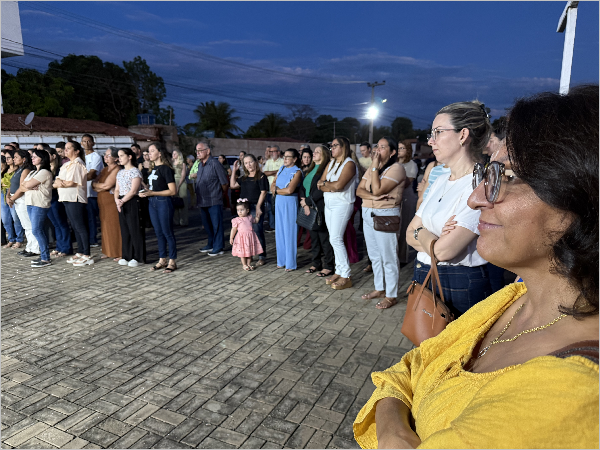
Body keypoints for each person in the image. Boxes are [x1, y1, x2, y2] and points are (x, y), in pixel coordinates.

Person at [354, 85, 599, 449]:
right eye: (489, 173)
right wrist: (394, 429)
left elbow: (443, 247)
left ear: (582, 198)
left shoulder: (571, 392)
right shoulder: (513, 299)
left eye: (508, 176)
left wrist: (392, 412)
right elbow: (409, 366)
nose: (476, 197)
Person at [406, 100, 492, 318]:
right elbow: (409, 232)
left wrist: (420, 232)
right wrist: (430, 238)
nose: (430, 140)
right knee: (423, 338)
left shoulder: (480, 185)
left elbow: (445, 252)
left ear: (463, 135)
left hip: (458, 282)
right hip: (424, 273)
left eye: (438, 132)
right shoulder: (440, 179)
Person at [357, 137, 406, 309]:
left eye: (383, 147)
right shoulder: (374, 167)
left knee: (388, 256)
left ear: (392, 152)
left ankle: (391, 295)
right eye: (377, 146)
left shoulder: (397, 168)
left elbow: (377, 189)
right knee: (375, 255)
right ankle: (379, 288)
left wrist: (374, 167)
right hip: (368, 213)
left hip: (385, 215)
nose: (377, 150)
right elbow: (359, 190)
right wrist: (373, 197)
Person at [317, 136, 358, 290]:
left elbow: (339, 186)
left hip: (342, 204)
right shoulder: (331, 163)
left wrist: (327, 185)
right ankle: (339, 270)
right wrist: (329, 185)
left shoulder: (349, 164)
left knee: (336, 238)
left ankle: (346, 274)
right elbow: (319, 184)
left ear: (343, 147)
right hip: (329, 204)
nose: (331, 148)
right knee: (333, 239)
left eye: (335, 146)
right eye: (331, 145)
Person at [140, 142, 178, 272]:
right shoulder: (152, 169)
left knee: (167, 232)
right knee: (158, 232)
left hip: (163, 202)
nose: (149, 154)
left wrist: (153, 193)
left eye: (152, 151)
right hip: (152, 202)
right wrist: (145, 190)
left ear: (160, 153)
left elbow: (172, 191)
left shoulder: (166, 169)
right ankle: (162, 259)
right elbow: (153, 188)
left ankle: (172, 261)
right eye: (148, 151)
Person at [55, 141, 93, 266]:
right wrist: (60, 182)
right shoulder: (66, 164)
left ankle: (87, 253)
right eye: (65, 148)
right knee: (75, 226)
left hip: (75, 198)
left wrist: (60, 183)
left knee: (80, 226)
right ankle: (81, 251)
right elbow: (56, 181)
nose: (65, 150)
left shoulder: (77, 164)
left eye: (68, 148)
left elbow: (71, 182)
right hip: (66, 197)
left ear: (76, 151)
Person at [299, 144, 334, 278]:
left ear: (324, 155)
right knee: (314, 238)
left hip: (319, 207)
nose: (314, 153)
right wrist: (304, 202)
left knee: (324, 238)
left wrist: (307, 202)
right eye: (315, 151)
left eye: (318, 152)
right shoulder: (310, 169)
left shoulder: (325, 170)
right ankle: (316, 263)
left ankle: (328, 266)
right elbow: (303, 187)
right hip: (309, 207)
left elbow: (321, 190)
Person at [230, 154, 268, 265]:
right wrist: (234, 171)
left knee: (257, 231)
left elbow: (263, 192)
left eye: (250, 162)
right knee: (245, 232)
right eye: (246, 163)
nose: (249, 165)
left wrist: (258, 207)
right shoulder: (244, 178)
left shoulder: (261, 176)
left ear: (255, 162)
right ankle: (249, 255)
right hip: (244, 208)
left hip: (255, 206)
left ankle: (262, 256)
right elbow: (232, 185)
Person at [193, 142, 229, 256]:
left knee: (216, 224)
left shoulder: (215, 163)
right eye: (196, 150)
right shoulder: (200, 165)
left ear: (208, 151)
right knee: (207, 224)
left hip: (214, 199)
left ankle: (219, 246)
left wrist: (219, 194)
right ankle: (211, 243)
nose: (197, 153)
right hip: (202, 200)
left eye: (200, 150)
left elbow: (224, 183)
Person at [271, 148, 303, 271]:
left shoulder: (297, 172)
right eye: (284, 156)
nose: (285, 159)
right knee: (279, 231)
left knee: (290, 232)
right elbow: (273, 184)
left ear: (294, 159)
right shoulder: (281, 169)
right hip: (279, 202)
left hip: (290, 202)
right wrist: (277, 190)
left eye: (288, 157)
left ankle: (290, 263)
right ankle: (281, 260)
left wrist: (276, 191)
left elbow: (290, 190)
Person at [21, 150, 54, 267]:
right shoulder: (33, 172)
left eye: (35, 157)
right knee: (38, 230)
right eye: (32, 157)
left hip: (39, 204)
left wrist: (28, 185)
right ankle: (43, 255)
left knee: (36, 230)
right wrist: (29, 186)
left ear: (42, 158)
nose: (32, 158)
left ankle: (45, 258)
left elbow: (27, 185)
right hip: (31, 203)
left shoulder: (44, 172)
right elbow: (22, 186)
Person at [115, 147, 145, 267]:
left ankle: (138, 257)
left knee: (135, 229)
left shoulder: (135, 172)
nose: (119, 158)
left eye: (122, 155)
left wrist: (122, 201)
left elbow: (133, 191)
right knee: (125, 230)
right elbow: (117, 189)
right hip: (121, 201)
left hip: (132, 201)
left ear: (129, 157)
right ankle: (127, 255)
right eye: (119, 156)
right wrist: (117, 200)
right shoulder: (120, 172)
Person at [6, 150, 39, 257]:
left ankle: (35, 248)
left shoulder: (26, 170)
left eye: (16, 157)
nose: (14, 159)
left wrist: (12, 198)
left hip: (21, 198)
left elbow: (22, 188)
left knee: (29, 224)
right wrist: (8, 196)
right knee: (25, 224)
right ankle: (29, 246)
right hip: (16, 198)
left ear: (24, 159)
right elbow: (11, 185)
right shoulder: (18, 169)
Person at [92, 147, 122, 261]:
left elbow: (107, 185)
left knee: (114, 226)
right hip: (103, 203)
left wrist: (100, 186)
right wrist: (101, 187)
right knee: (105, 226)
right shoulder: (104, 170)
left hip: (111, 203)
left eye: (108, 155)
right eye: (105, 155)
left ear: (115, 158)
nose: (105, 157)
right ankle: (108, 250)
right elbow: (93, 184)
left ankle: (118, 251)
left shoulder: (117, 169)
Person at [46, 147, 72, 258]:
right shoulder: (46, 169)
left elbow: (59, 183)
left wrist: (51, 184)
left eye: (47, 154)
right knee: (56, 224)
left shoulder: (60, 168)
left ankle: (66, 247)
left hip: (57, 198)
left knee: (62, 223)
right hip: (48, 198)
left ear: (53, 156)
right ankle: (59, 247)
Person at [398, 140, 419, 264]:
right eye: (398, 148)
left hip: (406, 198)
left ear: (408, 150)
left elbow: (406, 183)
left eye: (402, 148)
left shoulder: (411, 164)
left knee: (403, 228)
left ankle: (402, 258)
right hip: (394, 199)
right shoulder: (394, 163)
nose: (399, 150)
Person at [82, 134, 103, 248]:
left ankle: (93, 239)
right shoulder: (81, 156)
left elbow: (92, 174)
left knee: (92, 218)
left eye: (89, 141)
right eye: (84, 141)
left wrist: (75, 178)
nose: (86, 143)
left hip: (92, 192)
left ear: (93, 143)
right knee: (84, 217)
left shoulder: (96, 156)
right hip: (82, 191)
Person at [230, 199, 264, 271]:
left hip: (250, 238)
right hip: (241, 239)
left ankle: (248, 264)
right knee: (242, 252)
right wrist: (231, 238)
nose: (240, 212)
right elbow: (233, 229)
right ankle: (244, 264)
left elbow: (256, 221)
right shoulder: (236, 220)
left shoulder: (250, 217)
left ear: (247, 210)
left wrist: (258, 216)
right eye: (238, 210)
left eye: (242, 210)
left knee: (249, 252)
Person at [1, 149, 24, 249]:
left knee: (16, 218)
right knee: (5, 219)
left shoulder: (18, 170)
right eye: (5, 158)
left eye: (9, 158)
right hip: (3, 194)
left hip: (14, 194)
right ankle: (11, 239)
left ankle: (19, 239)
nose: (7, 160)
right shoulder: (5, 170)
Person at [263, 145, 283, 232]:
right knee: (270, 209)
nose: (271, 153)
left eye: (273, 151)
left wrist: (271, 172)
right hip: (269, 189)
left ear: (278, 152)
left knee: (278, 209)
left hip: (279, 190)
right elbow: (265, 173)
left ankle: (279, 225)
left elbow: (282, 172)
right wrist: (276, 171)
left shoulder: (282, 161)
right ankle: (272, 226)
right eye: (270, 151)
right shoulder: (268, 161)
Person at [171, 149, 189, 227]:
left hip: (181, 183)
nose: (173, 155)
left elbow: (183, 175)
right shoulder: (171, 164)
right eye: (173, 154)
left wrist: (178, 186)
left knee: (183, 201)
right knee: (174, 201)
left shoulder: (182, 164)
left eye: (175, 154)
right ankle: (176, 220)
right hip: (173, 182)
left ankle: (183, 221)